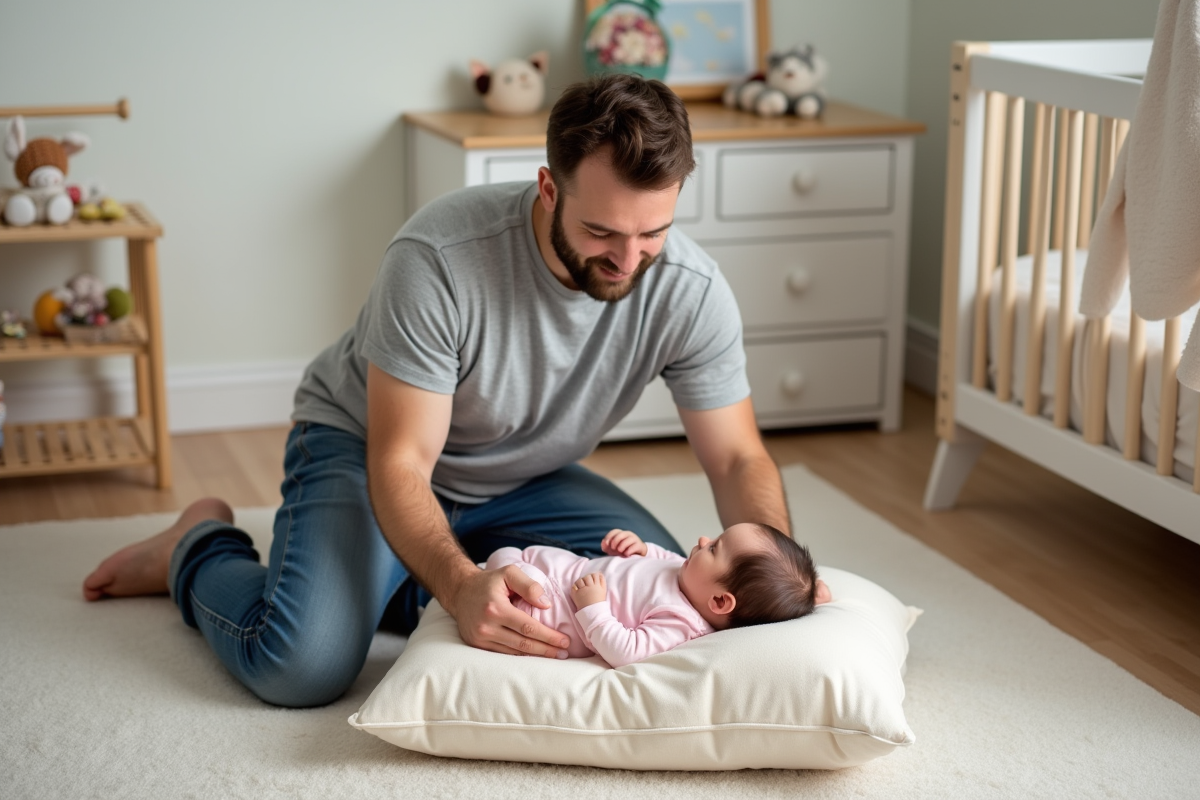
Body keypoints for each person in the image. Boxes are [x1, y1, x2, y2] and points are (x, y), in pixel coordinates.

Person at [81, 73, 795, 708]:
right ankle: (196, 547)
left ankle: (394, 579)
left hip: (524, 477)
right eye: (603, 232)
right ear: (549, 188)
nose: (629, 260)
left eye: (654, 234)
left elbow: (736, 459)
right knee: (301, 666)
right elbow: (402, 464)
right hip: (371, 452)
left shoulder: (690, 290)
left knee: (675, 598)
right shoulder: (440, 260)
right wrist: (458, 589)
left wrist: (782, 574)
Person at [486, 524, 833, 668]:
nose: (701, 541)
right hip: (570, 570)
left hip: (557, 607)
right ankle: (497, 571)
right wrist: (637, 548)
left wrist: (594, 609)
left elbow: (627, 651)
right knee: (511, 557)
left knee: (508, 567)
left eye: (713, 548)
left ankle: (495, 582)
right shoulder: (689, 575)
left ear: (719, 602)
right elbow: (660, 558)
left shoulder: (681, 621)